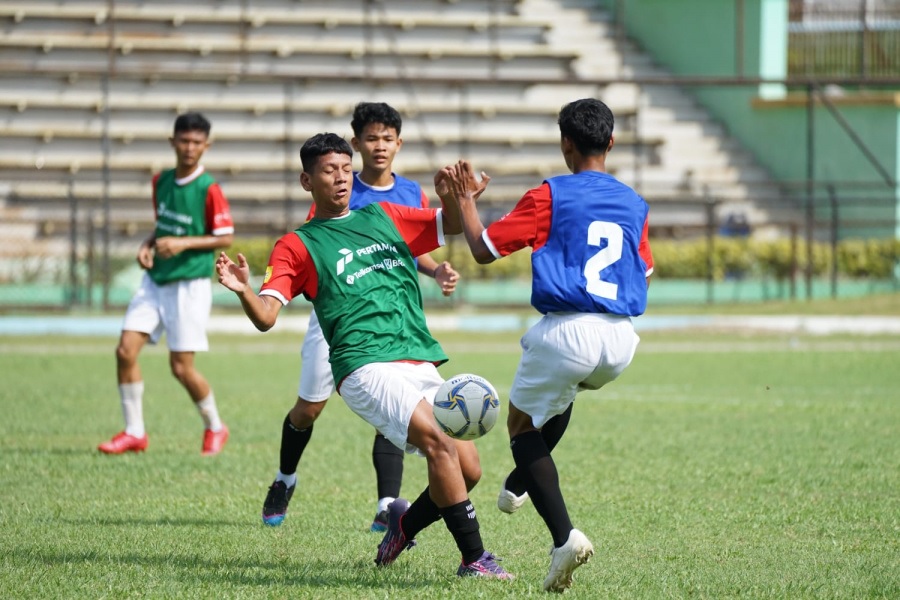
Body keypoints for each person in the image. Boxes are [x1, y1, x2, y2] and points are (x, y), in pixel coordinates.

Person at [217, 132, 511, 580]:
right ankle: (475, 560)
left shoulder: (385, 215)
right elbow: (267, 316)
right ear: (306, 180)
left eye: (345, 168)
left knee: (467, 468)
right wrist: (243, 290)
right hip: (364, 366)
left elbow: (448, 224)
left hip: (418, 359)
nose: (341, 177)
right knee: (439, 445)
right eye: (329, 170)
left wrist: (459, 198)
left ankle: (403, 525)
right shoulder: (297, 245)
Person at [441, 98, 654, 592]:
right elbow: (644, 269)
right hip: (621, 340)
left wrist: (467, 200)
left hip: (568, 330)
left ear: (565, 144)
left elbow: (482, 249)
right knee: (565, 391)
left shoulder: (549, 195)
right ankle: (521, 481)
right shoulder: (633, 202)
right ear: (612, 143)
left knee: (518, 424)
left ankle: (564, 538)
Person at [261, 102, 461, 530]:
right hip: (340, 316)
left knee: (399, 413)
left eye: (388, 138)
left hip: (392, 320)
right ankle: (285, 477)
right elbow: (323, 251)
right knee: (308, 409)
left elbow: (410, 245)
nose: (380, 146)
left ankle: (387, 504)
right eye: (372, 138)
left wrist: (435, 268)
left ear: (399, 144)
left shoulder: (408, 194)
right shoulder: (336, 193)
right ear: (357, 143)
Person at [98, 112, 234, 456]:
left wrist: (182, 244)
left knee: (181, 368)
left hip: (189, 287)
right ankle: (134, 432)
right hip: (154, 282)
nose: (190, 148)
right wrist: (147, 245)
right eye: (184, 141)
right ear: (172, 142)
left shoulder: (209, 188)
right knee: (124, 351)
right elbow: (162, 229)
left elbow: (225, 237)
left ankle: (215, 427)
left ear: (207, 146)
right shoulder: (161, 181)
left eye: (197, 143)